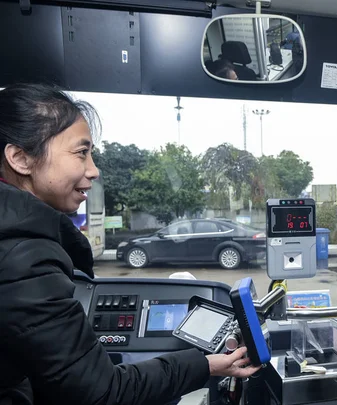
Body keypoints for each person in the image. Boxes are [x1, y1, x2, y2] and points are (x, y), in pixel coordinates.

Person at [0, 83, 260, 404]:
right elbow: (106, 393)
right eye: (81, 153)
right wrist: (205, 365)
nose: (93, 170)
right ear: (20, 159)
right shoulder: (22, 253)